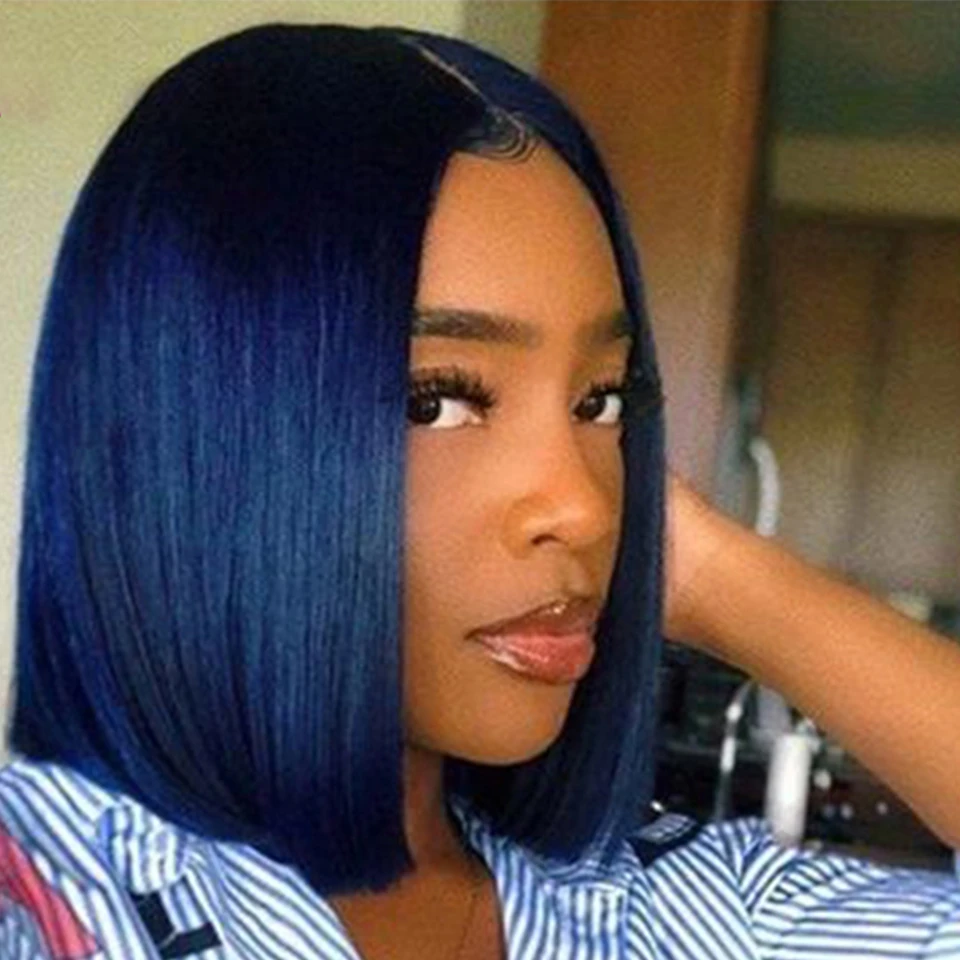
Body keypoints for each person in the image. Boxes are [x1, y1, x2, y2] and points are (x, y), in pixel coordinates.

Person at [2, 21, 960, 960]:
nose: (586, 507)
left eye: (602, 401)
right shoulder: (46, 897)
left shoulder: (669, 913)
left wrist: (712, 573)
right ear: (197, 429)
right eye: (440, 399)